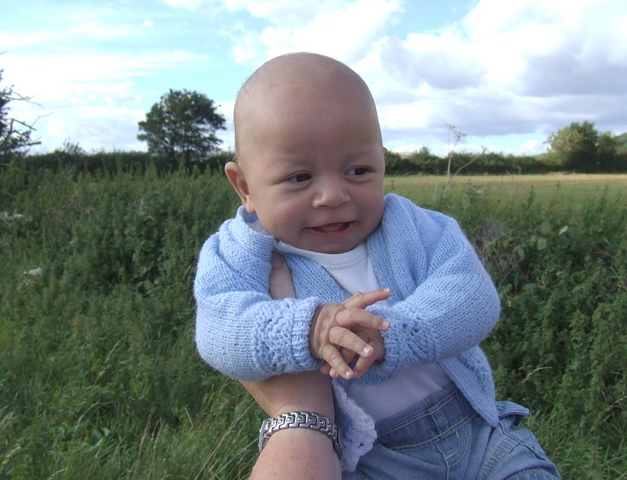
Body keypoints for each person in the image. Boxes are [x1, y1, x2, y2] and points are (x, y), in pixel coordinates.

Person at [193, 52, 560, 478]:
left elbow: (473, 297)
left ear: (383, 162)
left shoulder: (413, 227)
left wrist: (392, 332)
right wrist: (308, 328)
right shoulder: (238, 251)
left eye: (357, 169)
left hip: (476, 431)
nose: (332, 195)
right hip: (369, 454)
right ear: (245, 187)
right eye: (299, 178)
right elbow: (217, 330)